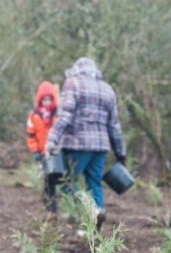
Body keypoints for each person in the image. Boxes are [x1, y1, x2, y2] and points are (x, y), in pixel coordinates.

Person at [45, 58, 125, 229]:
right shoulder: (107, 89)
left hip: (77, 144)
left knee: (68, 183)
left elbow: (65, 116)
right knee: (94, 182)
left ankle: (92, 211)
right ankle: (96, 223)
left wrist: (51, 140)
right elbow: (114, 125)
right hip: (100, 147)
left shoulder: (73, 83)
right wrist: (120, 152)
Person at [25, 80, 59, 211]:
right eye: (44, 100)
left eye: (49, 99)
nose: (47, 102)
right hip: (41, 153)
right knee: (46, 178)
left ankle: (52, 203)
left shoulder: (57, 114)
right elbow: (30, 135)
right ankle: (49, 204)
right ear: (40, 100)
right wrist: (34, 151)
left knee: (54, 178)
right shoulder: (34, 116)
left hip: (55, 153)